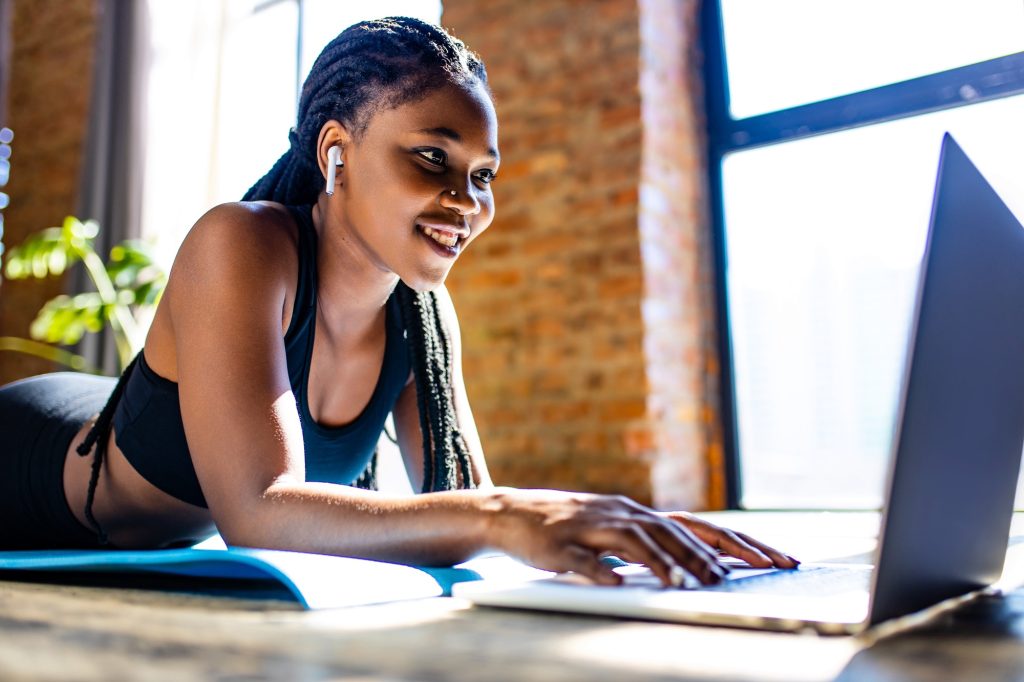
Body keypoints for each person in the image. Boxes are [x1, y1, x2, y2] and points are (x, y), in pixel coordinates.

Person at [0, 17, 796, 586]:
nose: (466, 199)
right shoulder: (242, 244)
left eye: (482, 175)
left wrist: (630, 534)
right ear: (336, 152)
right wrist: (504, 512)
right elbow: (258, 513)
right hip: (28, 463)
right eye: (431, 158)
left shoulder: (419, 313)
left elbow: (458, 498)